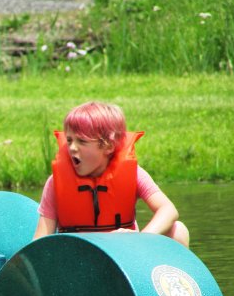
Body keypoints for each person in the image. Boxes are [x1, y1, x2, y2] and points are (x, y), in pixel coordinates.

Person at [33, 101, 189, 246]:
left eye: (82, 141)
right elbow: (39, 241)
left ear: (108, 146)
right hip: (78, 258)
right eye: (69, 140)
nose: (72, 148)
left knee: (178, 231)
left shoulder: (134, 175)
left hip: (123, 254)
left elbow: (168, 210)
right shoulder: (56, 183)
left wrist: (141, 238)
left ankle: (169, 276)